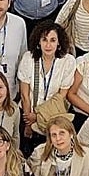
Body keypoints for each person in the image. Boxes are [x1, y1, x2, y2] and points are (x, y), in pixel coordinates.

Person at [17, 22, 77, 150]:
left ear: (59, 43)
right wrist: (29, 121)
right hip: (28, 114)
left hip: (54, 115)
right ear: (38, 42)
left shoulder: (68, 62)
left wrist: (39, 115)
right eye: (44, 40)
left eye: (53, 40)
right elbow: (24, 94)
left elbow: (61, 96)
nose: (48, 45)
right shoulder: (28, 58)